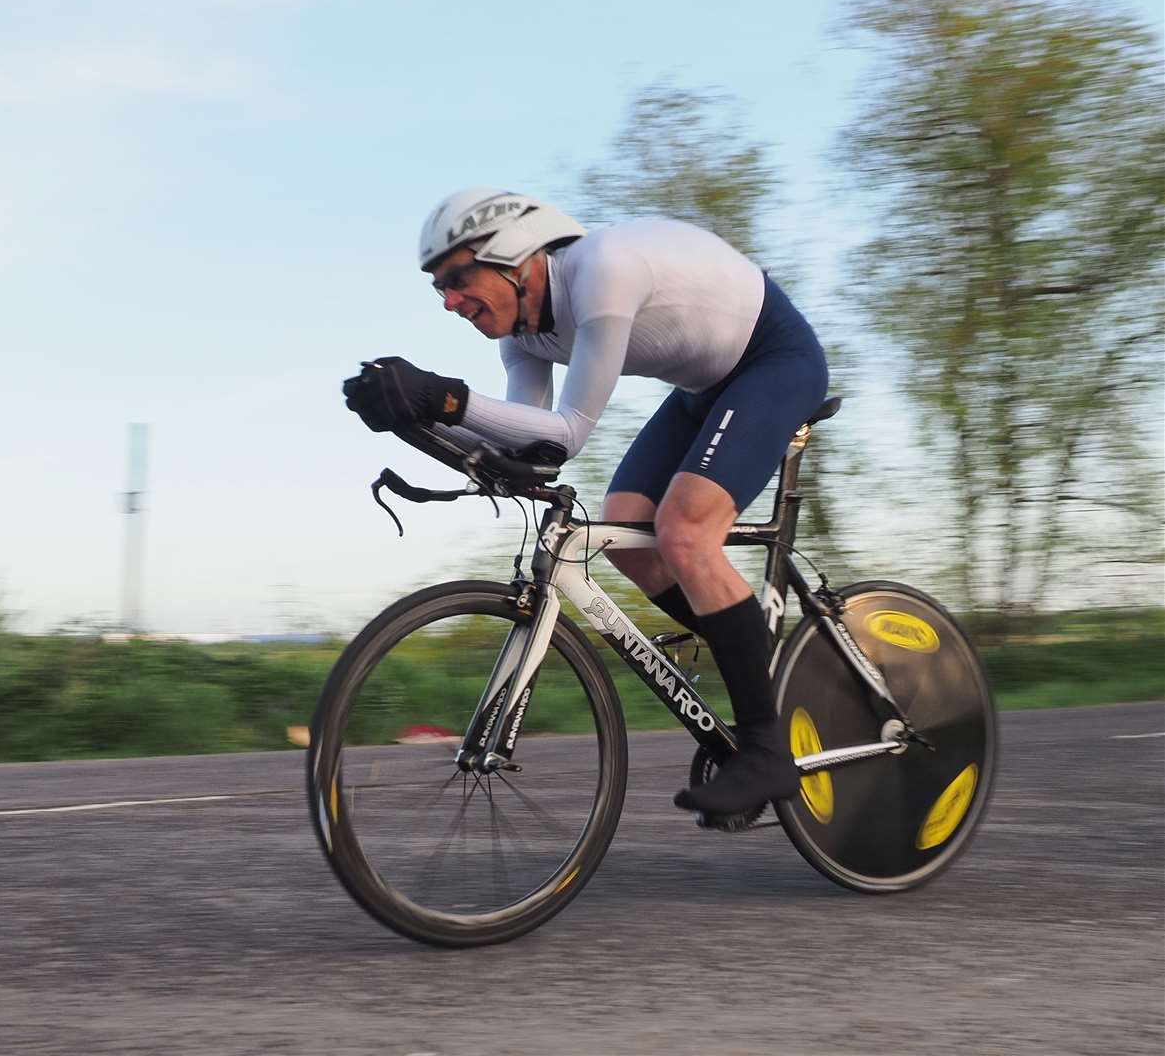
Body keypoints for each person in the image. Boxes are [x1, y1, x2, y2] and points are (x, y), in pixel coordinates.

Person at [342, 188, 829, 817]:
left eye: (460, 278)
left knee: (683, 532)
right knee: (629, 527)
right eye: (439, 287)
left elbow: (568, 429)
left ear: (517, 258)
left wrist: (448, 399)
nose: (449, 300)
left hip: (774, 359)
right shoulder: (522, 338)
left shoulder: (603, 269)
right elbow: (535, 445)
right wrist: (414, 417)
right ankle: (762, 667)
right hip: (703, 388)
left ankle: (767, 750)